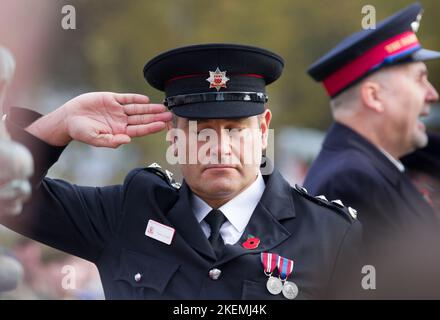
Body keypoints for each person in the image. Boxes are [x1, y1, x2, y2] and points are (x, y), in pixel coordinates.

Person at [1, 44, 361, 300]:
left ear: (263, 129)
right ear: (174, 136)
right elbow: (8, 197)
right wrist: (57, 125)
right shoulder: (129, 213)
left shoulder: (329, 234)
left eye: (235, 129)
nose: (220, 147)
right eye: (199, 130)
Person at [304, 3, 440, 258]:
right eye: (420, 78)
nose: (432, 94)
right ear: (374, 97)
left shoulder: (371, 168)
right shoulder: (350, 180)